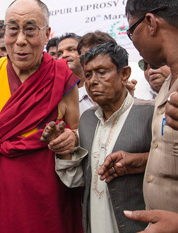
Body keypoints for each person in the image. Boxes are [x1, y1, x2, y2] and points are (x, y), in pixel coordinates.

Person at [0, 0, 82, 232]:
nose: (21, 39)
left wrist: (70, 138)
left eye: (31, 29)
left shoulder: (62, 75)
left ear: (47, 35)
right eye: (13, 29)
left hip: (47, 195)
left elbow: (77, 130)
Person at [99, 1, 178, 232]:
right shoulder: (169, 85)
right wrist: (141, 162)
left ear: (150, 23)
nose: (133, 42)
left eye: (130, 31)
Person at [55, 42, 153, 233]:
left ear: (124, 74)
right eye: (88, 74)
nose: (92, 81)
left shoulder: (150, 114)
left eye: (102, 72)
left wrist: (143, 160)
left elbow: (174, 168)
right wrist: (64, 151)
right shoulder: (87, 121)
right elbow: (79, 180)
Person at [57, 33, 94, 116]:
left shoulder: (101, 88)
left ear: (83, 53)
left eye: (71, 49)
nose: (64, 55)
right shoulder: (55, 94)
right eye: (59, 53)